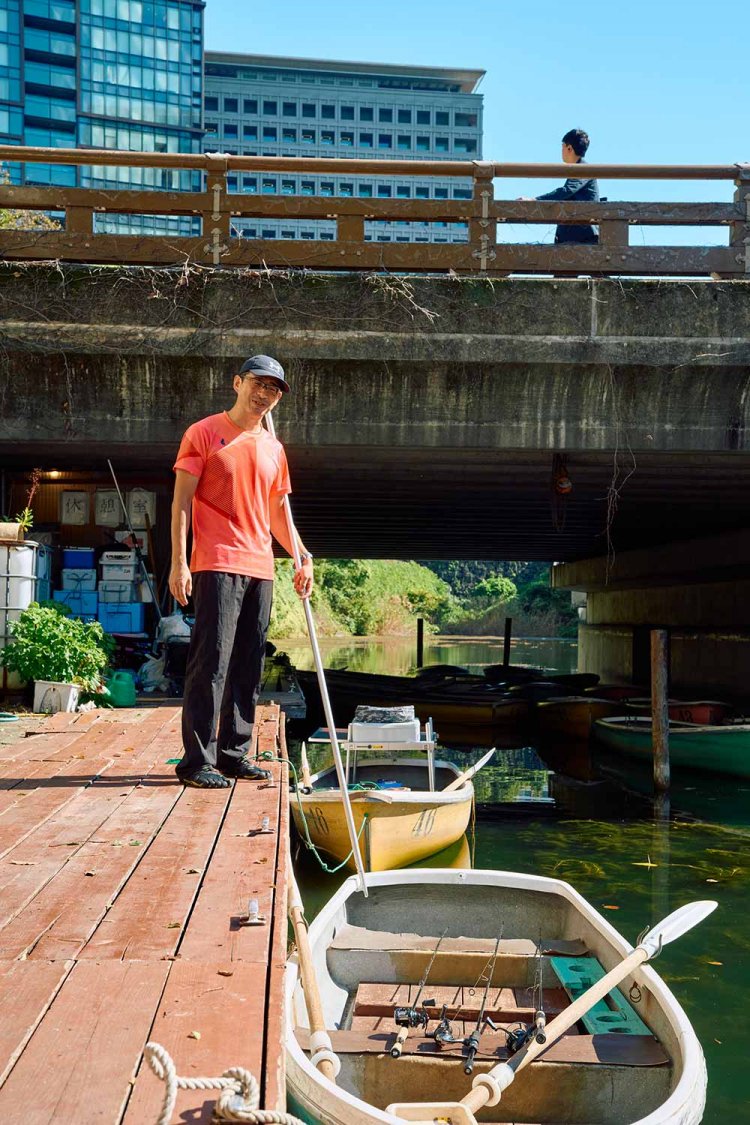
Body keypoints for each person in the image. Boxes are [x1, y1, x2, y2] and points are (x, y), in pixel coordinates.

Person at [169, 355, 314, 789]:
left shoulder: (274, 448)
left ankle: (233, 754)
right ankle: (197, 762)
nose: (265, 394)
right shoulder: (204, 433)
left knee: (250, 665)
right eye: (258, 383)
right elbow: (180, 503)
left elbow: (277, 513)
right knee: (211, 662)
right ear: (238, 383)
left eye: (273, 389)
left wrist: (302, 556)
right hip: (216, 561)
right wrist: (180, 562)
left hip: (260, 566)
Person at [522, 128, 599, 245]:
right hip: (578, 238)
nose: (561, 150)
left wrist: (535, 200)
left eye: (562, 146)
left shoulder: (583, 169)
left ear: (569, 148)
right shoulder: (581, 169)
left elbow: (566, 191)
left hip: (582, 240)